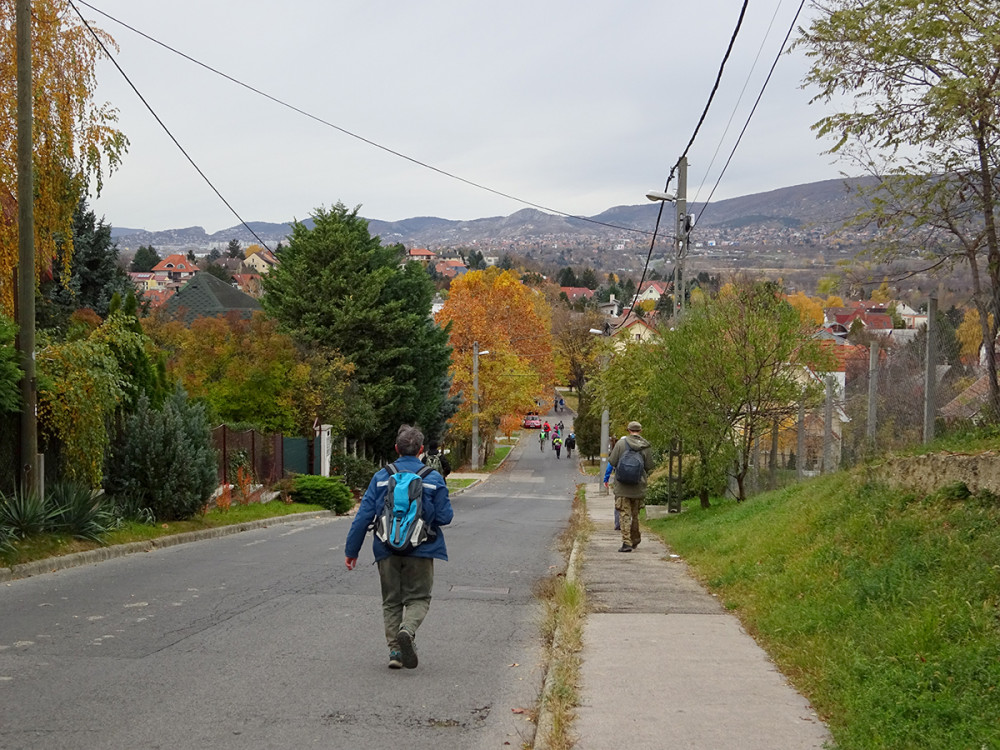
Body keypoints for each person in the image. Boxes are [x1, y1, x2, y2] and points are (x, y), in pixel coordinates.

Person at [345, 425, 453, 669]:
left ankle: (395, 652)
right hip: (423, 549)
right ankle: (408, 628)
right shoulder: (433, 478)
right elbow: (446, 517)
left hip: (386, 548)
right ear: (421, 450)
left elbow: (363, 517)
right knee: (419, 598)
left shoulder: (382, 477)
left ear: (396, 448)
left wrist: (351, 551)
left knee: (392, 600)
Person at [606, 420, 653, 552]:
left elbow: (613, 461)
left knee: (624, 514)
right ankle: (635, 539)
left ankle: (626, 542)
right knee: (635, 514)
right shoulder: (646, 446)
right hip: (638, 486)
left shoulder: (621, 443)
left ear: (628, 430)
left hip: (622, 486)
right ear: (640, 431)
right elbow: (649, 466)